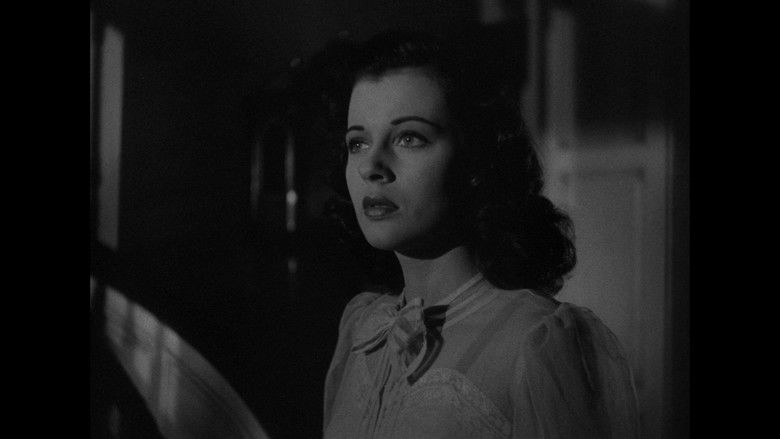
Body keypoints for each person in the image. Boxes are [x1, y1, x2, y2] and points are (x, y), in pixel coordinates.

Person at [321, 29, 640, 439]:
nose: (372, 167)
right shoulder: (362, 329)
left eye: (409, 137)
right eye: (358, 143)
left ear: (475, 159)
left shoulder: (534, 344)